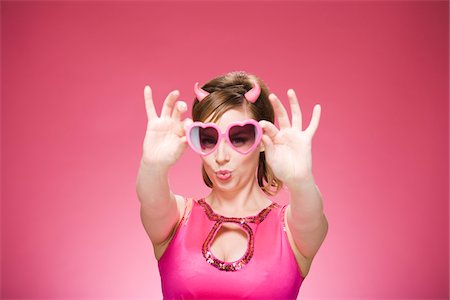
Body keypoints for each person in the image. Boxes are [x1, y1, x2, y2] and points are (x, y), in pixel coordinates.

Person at [136, 71, 328, 299]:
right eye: (208, 139)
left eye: (239, 137)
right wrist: (152, 165)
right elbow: (150, 199)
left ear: (262, 139)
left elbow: (313, 216)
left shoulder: (293, 230)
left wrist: (301, 180)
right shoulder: (177, 219)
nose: (221, 156)